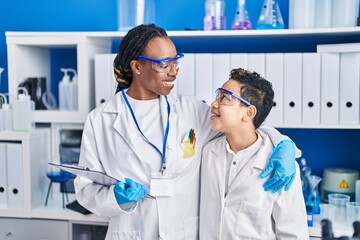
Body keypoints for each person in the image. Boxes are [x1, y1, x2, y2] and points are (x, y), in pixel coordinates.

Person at [74, 24, 299, 240]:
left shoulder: (192, 111)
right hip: (132, 232)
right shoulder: (100, 120)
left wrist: (284, 144)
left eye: (176, 62)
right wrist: (116, 197)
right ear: (137, 66)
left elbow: (243, 123)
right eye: (164, 64)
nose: (174, 72)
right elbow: (85, 187)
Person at [199, 68, 309, 239]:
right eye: (217, 96)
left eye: (225, 98)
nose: (214, 104)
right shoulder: (208, 153)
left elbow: (294, 235)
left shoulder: (280, 167)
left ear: (249, 112)